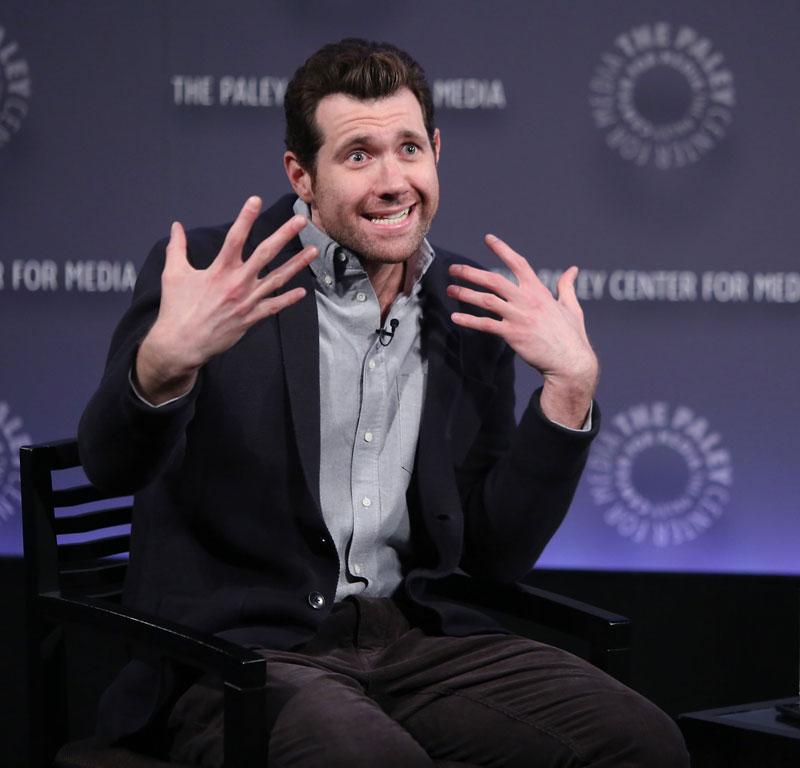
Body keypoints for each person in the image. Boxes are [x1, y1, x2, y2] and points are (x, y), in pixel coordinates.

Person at [79, 38, 688, 767]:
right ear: (301, 175)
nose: (393, 180)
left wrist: (568, 392)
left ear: (436, 149)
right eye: (358, 155)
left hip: (415, 644)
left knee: (643, 742)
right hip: (243, 656)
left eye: (408, 148)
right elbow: (109, 466)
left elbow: (494, 555)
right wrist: (161, 368)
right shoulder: (221, 279)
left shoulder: (468, 306)